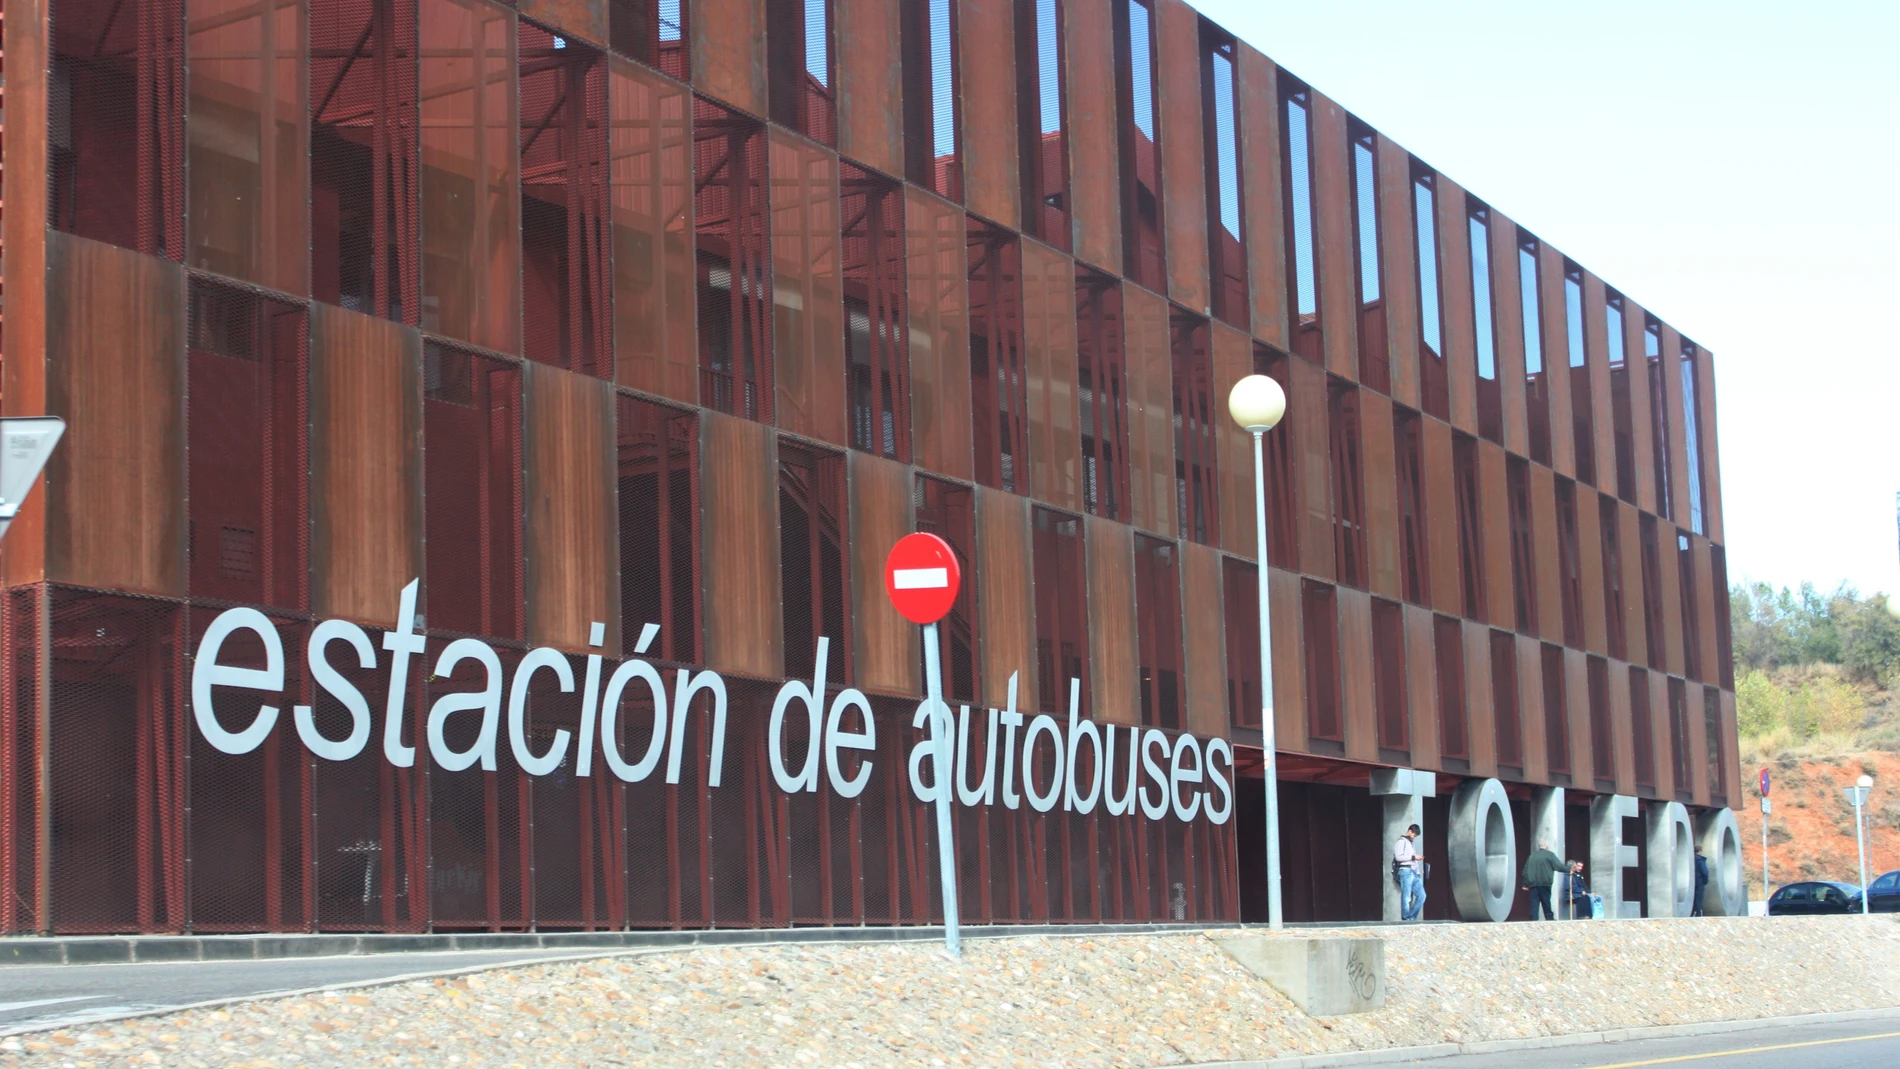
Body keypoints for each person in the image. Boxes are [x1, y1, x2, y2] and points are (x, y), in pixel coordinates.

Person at [1521, 839, 1564, 921]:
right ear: (1547, 846)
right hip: (1545, 883)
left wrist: (1525, 884)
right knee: (1546, 902)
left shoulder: (1532, 856)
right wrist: (1569, 869)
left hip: (1533, 884)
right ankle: (1549, 918)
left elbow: (1525, 871)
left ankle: (1533, 920)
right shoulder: (1550, 855)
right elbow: (1559, 866)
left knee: (1534, 903)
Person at [1392, 824, 1427, 921]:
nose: (1414, 837)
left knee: (1422, 895)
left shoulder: (1411, 842)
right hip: (1405, 870)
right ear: (1410, 831)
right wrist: (1413, 857)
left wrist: (1417, 870)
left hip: (1413, 871)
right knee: (1407, 896)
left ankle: (1411, 917)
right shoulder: (1401, 841)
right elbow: (1398, 857)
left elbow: (1412, 859)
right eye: (1414, 835)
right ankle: (1406, 918)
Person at [1692, 846, 1710, 917]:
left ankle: (1692, 913)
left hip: (1692, 881)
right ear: (1700, 851)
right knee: (1699, 898)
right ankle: (1698, 913)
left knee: (1693, 897)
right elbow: (1704, 872)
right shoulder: (1700, 860)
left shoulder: (1691, 859)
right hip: (1699, 882)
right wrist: (1705, 881)